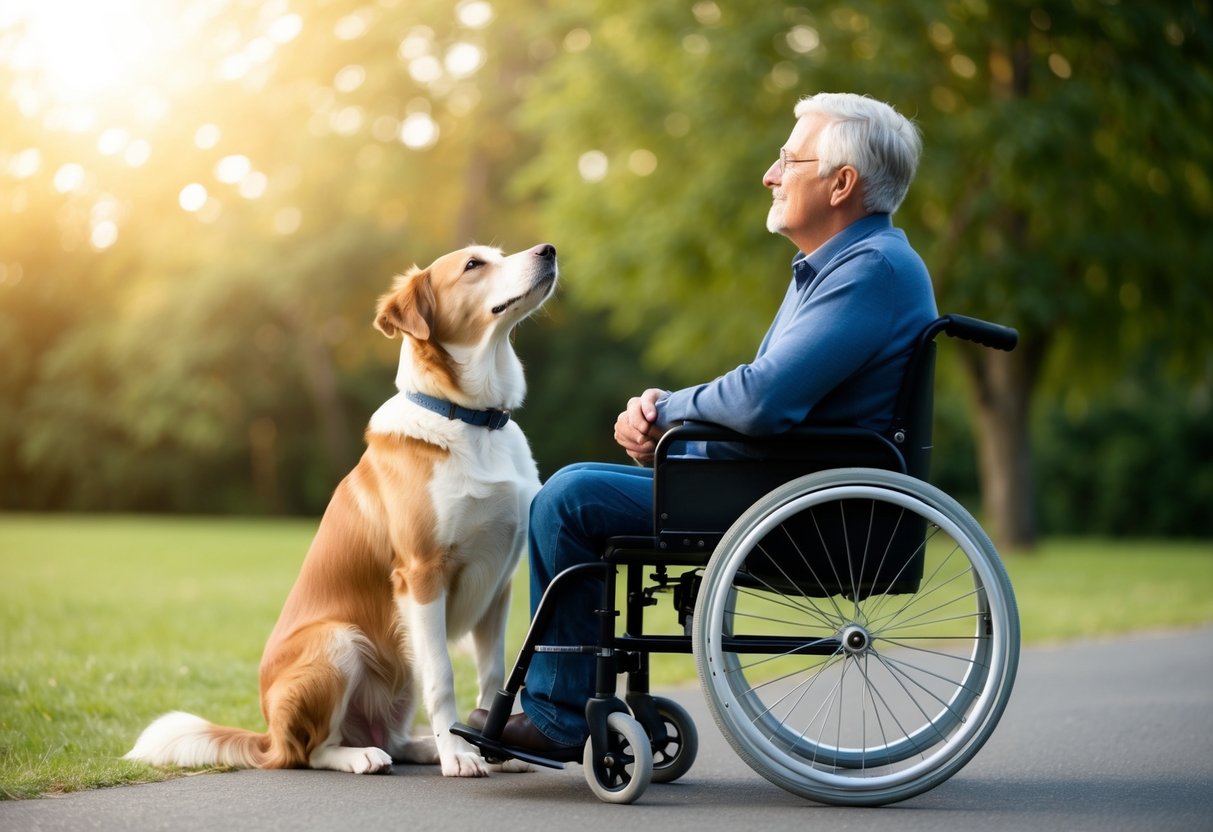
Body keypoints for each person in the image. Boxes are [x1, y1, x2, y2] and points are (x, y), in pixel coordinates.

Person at [469, 92, 938, 753]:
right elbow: (767, 402)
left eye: (787, 158)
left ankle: (561, 715)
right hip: (786, 491)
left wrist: (664, 411)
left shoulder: (871, 270)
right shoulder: (842, 268)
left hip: (804, 510)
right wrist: (670, 435)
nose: (769, 175)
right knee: (576, 489)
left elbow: (763, 400)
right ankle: (571, 702)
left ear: (841, 184)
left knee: (569, 498)